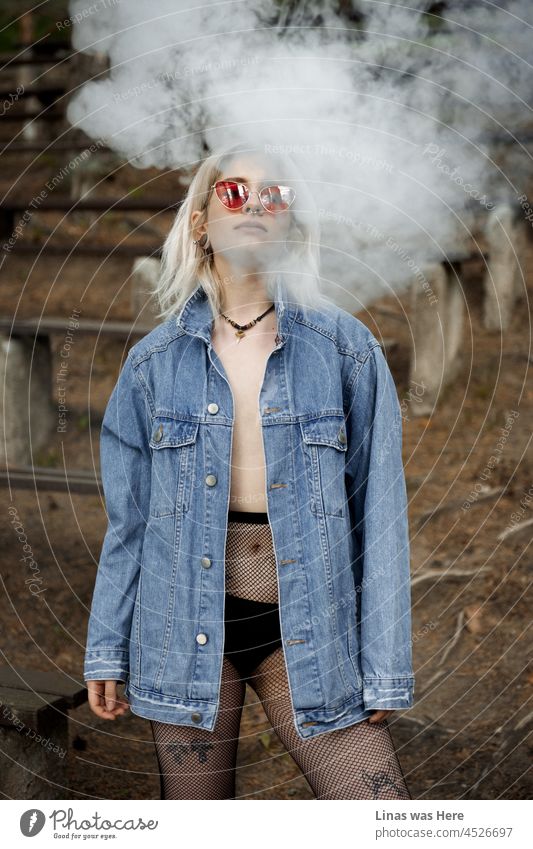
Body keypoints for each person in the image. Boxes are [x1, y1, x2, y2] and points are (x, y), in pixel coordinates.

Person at [84, 141, 415, 800]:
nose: (256, 205)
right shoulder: (152, 364)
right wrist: (106, 647)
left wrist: (384, 664)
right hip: (179, 630)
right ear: (201, 221)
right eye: (235, 191)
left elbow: (379, 513)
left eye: (275, 194)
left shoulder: (345, 348)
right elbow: (130, 524)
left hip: (307, 631)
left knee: (380, 814)